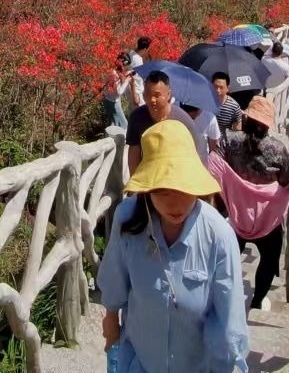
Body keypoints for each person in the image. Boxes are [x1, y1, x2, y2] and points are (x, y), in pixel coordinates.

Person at [98, 120, 249, 373]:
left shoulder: (218, 235)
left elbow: (229, 318)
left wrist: (231, 363)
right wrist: (113, 342)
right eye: (164, 192)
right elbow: (114, 287)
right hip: (139, 362)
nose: (176, 203)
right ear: (148, 190)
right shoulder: (127, 220)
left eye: (183, 189)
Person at [217, 96, 289, 311]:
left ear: (246, 118)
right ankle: (257, 300)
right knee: (269, 260)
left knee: (229, 255)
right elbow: (285, 179)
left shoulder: (230, 140)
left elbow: (218, 165)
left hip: (236, 212)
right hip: (267, 217)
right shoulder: (277, 149)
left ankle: (223, 295)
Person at [125, 70, 195, 174]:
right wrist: (135, 184)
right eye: (148, 94)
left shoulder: (182, 120)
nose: (152, 100)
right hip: (147, 176)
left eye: (157, 95)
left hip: (176, 175)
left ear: (168, 95)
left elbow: (196, 154)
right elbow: (133, 153)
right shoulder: (137, 117)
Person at [103, 54, 135, 130]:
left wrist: (123, 77)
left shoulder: (111, 70)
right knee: (124, 126)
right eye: (125, 66)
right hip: (113, 103)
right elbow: (119, 92)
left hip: (107, 99)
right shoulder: (115, 75)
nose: (125, 68)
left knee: (113, 123)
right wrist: (127, 80)